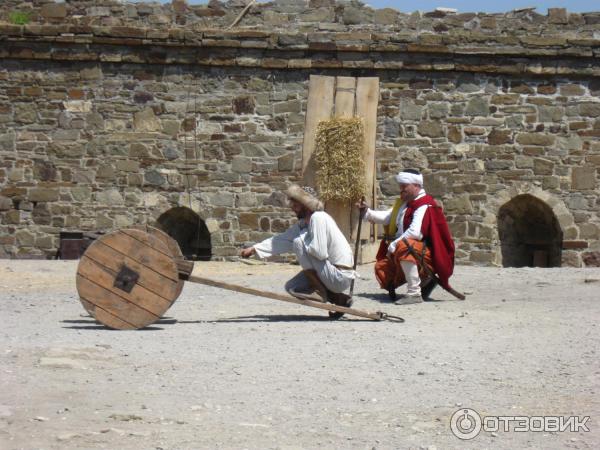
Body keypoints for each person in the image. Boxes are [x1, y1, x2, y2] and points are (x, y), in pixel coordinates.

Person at [240, 184, 355, 318]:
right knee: (293, 287)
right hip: (328, 273)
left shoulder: (318, 218)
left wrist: (303, 241)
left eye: (295, 204)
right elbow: (282, 239)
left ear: (305, 204)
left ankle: (319, 290)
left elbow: (319, 252)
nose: (292, 207)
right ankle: (340, 299)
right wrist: (255, 248)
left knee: (298, 242)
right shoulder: (303, 224)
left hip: (339, 276)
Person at [359, 169, 456, 305]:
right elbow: (388, 217)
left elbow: (415, 233)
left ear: (416, 185)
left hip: (424, 253)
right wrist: (367, 212)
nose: (401, 189)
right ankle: (425, 282)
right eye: (401, 185)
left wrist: (393, 245)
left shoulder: (425, 204)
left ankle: (414, 292)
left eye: (404, 186)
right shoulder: (406, 202)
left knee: (405, 245)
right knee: (382, 268)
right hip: (407, 250)